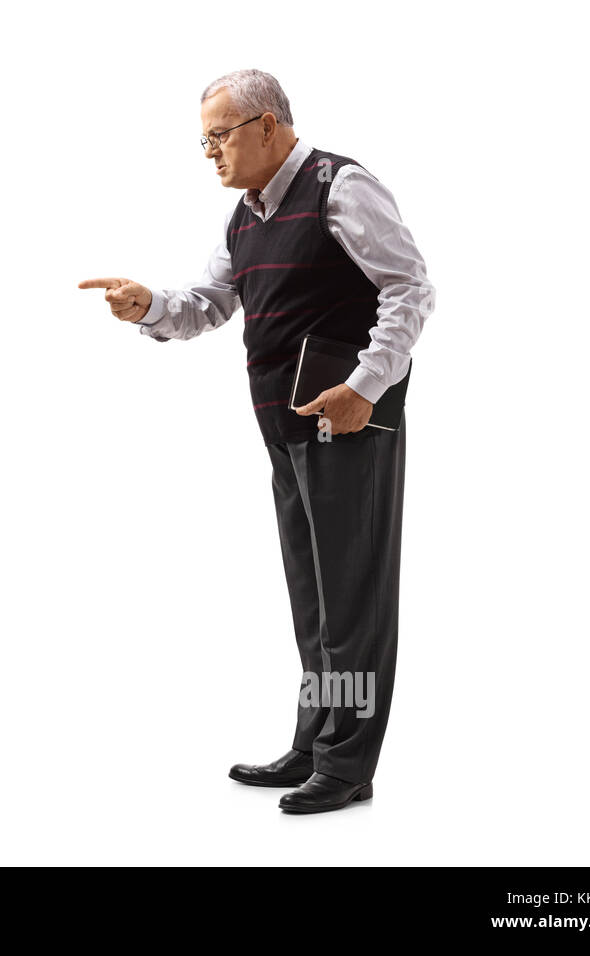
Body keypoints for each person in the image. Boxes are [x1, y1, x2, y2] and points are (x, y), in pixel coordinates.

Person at [80, 69, 434, 813]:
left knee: (352, 605)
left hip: (347, 430)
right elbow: (209, 303)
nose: (209, 152)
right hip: (286, 432)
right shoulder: (246, 215)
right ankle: (314, 742)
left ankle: (347, 764)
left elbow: (408, 287)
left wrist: (367, 386)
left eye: (219, 136)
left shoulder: (340, 186)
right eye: (203, 139)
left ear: (267, 126)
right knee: (314, 604)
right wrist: (150, 305)